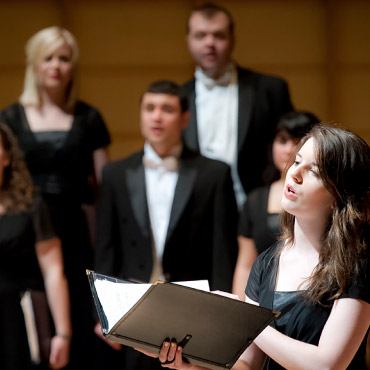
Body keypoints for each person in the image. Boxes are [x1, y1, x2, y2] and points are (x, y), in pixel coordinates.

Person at [138, 124, 370, 369]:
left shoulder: (357, 265)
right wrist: (189, 366)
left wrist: (241, 319)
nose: (294, 174)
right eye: (296, 161)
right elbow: (247, 365)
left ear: (338, 196)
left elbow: (327, 365)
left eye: (313, 171)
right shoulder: (267, 262)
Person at [94, 80, 238, 370]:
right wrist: (103, 312)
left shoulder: (214, 174)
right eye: (149, 108)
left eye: (167, 109)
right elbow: (106, 248)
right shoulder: (115, 174)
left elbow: (222, 253)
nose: (156, 116)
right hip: (132, 308)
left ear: (185, 118)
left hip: (192, 309)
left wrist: (222, 320)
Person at [0, 26, 111, 370]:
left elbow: (103, 187)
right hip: (25, 232)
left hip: (76, 232)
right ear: (34, 64)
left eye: (64, 59)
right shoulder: (10, 117)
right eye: (48, 58)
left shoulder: (89, 117)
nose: (56, 65)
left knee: (77, 319)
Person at [182, 2, 294, 207]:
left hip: (258, 204)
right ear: (188, 41)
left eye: (219, 35)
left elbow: (293, 146)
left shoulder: (270, 89)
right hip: (200, 209)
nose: (210, 43)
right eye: (200, 35)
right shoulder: (179, 97)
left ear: (232, 39)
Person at [0, 123, 71, 370]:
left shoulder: (30, 204)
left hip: (16, 318)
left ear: (7, 157)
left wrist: (63, 334)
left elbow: (53, 272)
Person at [233, 111, 320, 299]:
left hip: (312, 292)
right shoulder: (255, 200)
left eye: (297, 141)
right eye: (282, 141)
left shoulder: (320, 198)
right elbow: (245, 264)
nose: (289, 150)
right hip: (261, 295)